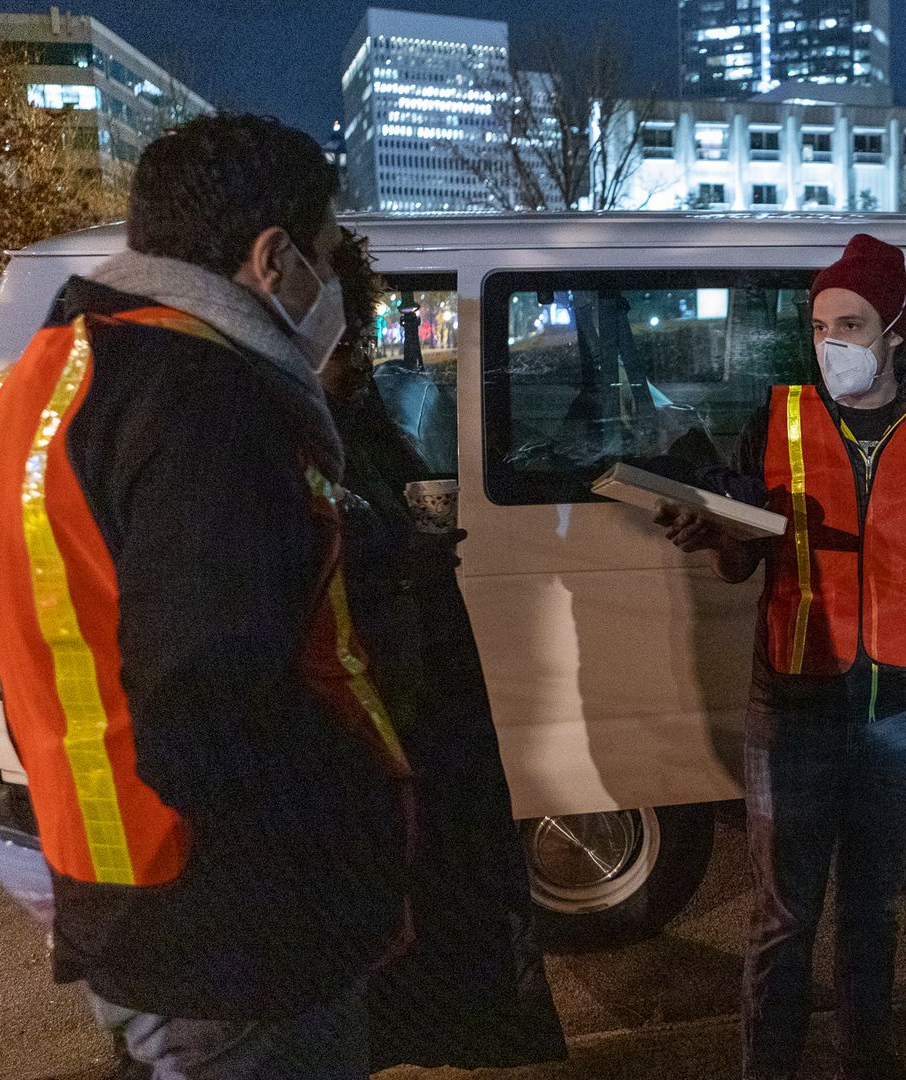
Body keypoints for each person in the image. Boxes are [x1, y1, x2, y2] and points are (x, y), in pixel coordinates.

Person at [0, 113, 411, 1079]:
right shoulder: (205, 394)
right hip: (238, 930)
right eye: (327, 256)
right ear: (274, 257)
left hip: (114, 892)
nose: (332, 283)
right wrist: (346, 875)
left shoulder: (42, 382)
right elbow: (208, 705)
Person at [657, 233, 906, 1080]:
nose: (832, 345)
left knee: (873, 914)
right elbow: (745, 560)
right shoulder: (772, 423)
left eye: (850, 325)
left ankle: (867, 1064)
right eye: (819, 327)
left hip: (904, 708)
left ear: (895, 328)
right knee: (782, 919)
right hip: (792, 708)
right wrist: (710, 533)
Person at [321, 233, 567, 1071]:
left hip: (426, 697)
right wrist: (395, 559)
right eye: (341, 335)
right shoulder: (268, 428)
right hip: (370, 724)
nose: (352, 356)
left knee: (451, 914)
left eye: (357, 334)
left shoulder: (351, 415)